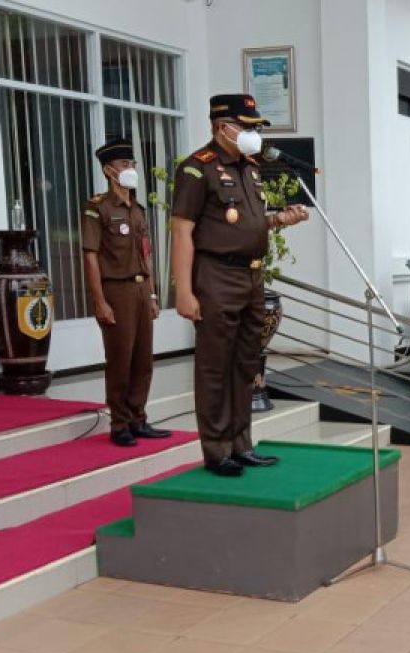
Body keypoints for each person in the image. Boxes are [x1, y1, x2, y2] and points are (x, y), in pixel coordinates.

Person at [171, 94, 309, 476]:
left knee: (245, 364)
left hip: (251, 276)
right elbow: (182, 232)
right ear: (222, 127)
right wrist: (183, 290)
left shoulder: (248, 168)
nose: (253, 134)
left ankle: (240, 443)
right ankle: (217, 451)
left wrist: (281, 219)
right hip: (215, 276)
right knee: (215, 366)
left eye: (255, 127)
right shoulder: (197, 170)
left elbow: (248, 222)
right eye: (246, 127)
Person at [81, 139, 171, 447]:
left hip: (140, 289)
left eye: (132, 165)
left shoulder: (138, 209)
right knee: (120, 359)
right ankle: (119, 423)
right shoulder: (98, 209)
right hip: (116, 291)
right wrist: (99, 301)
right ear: (108, 170)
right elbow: (90, 255)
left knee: (143, 360)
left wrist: (153, 294)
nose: (130, 169)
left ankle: (138, 419)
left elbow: (146, 254)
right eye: (123, 165)